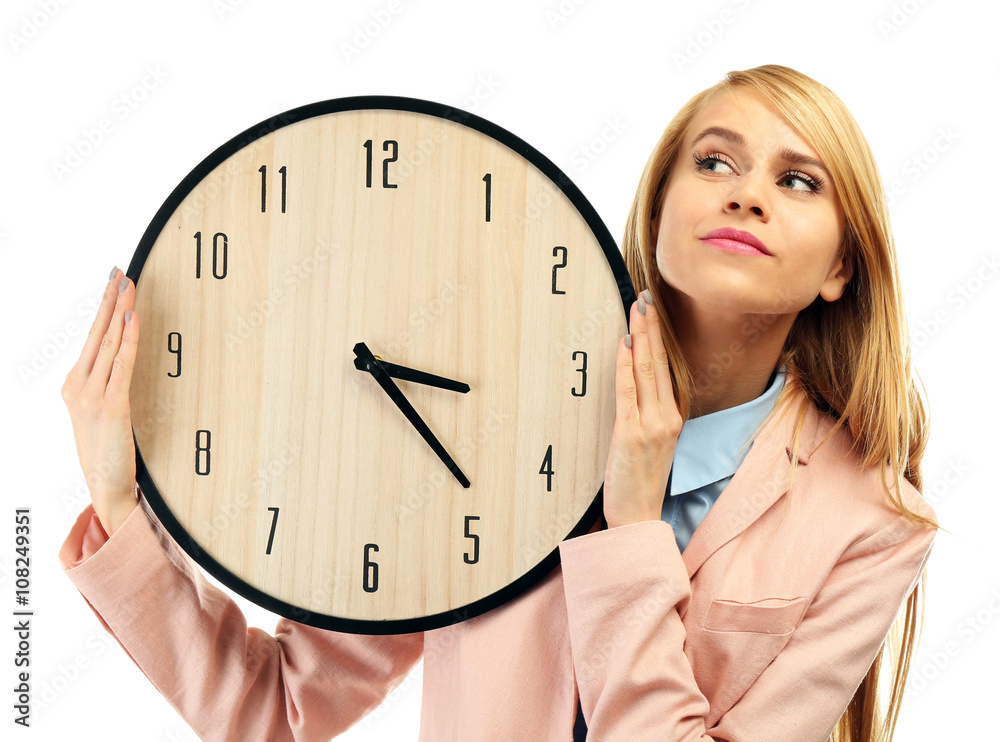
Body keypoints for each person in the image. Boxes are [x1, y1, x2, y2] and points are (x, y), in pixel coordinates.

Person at [59, 63, 938, 741]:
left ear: (839, 269)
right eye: (715, 161)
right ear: (660, 206)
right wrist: (119, 502)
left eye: (798, 181)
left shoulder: (874, 524)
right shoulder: (498, 407)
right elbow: (272, 708)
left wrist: (631, 524)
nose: (746, 191)